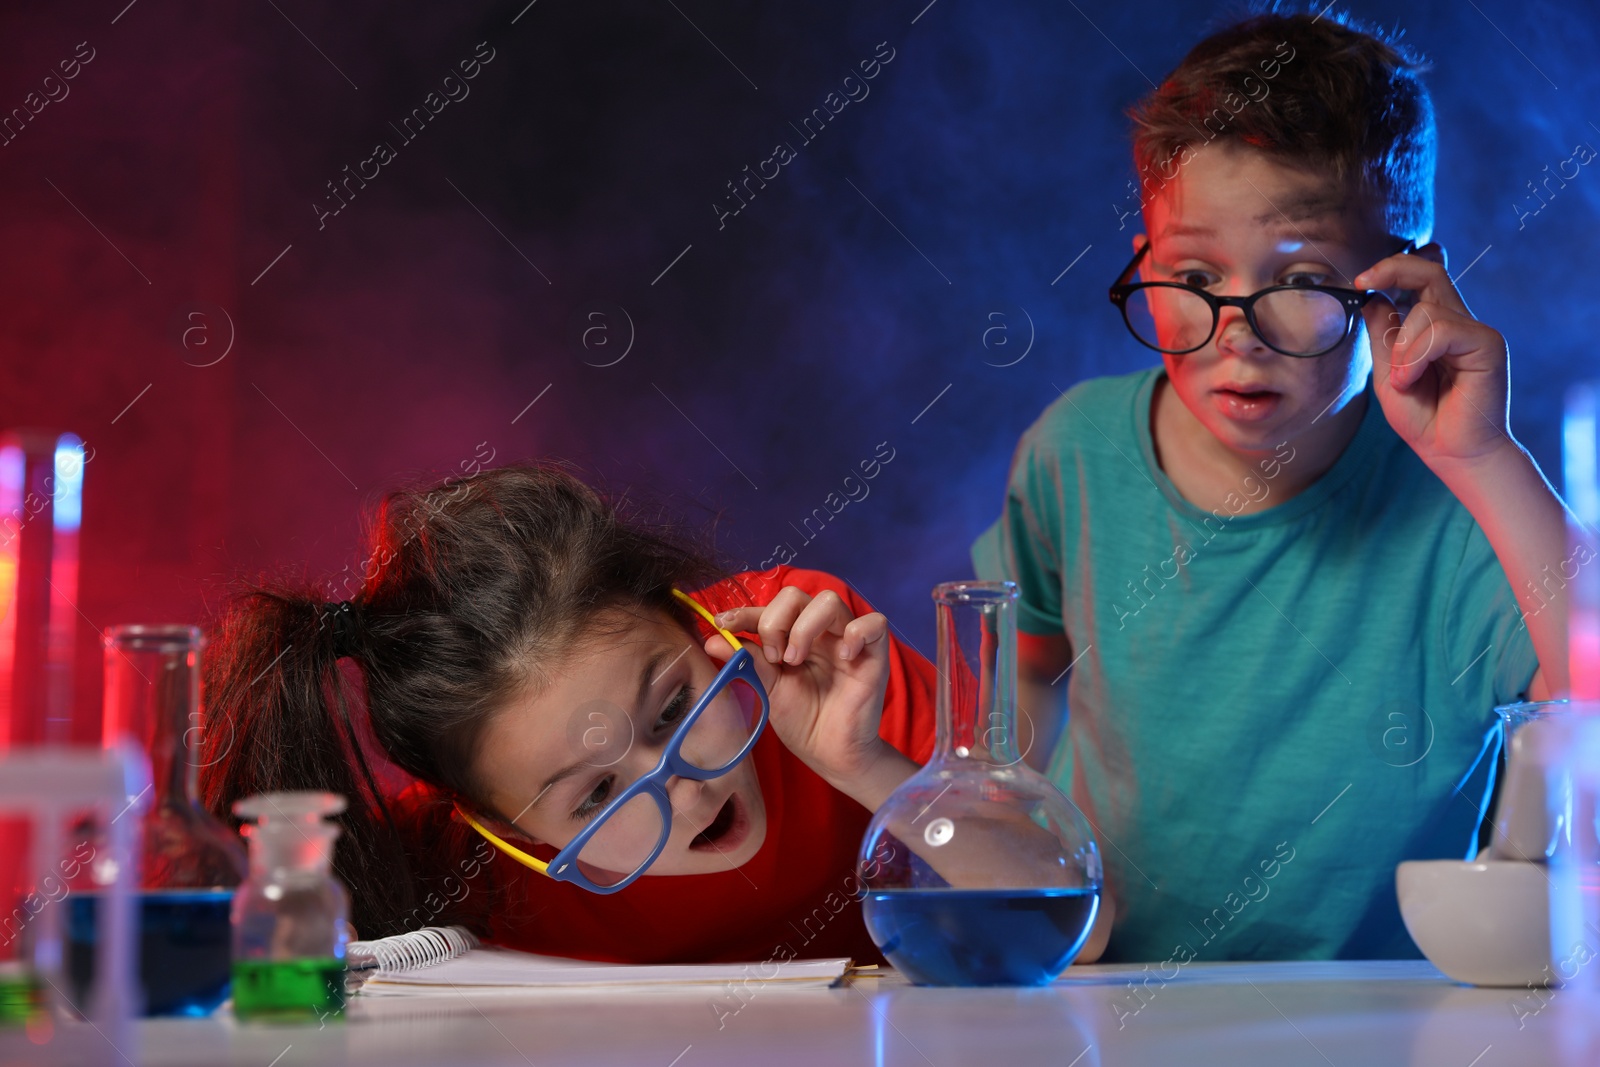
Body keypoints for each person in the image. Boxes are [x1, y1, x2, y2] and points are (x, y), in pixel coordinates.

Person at [973, 8, 1578, 964]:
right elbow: (1028, 680)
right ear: (1147, 257)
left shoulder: (1465, 505)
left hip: (1373, 1020)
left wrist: (1484, 461)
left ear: (1407, 277)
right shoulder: (1073, 451)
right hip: (1100, 1005)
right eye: (1196, 271)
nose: (1234, 329)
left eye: (1298, 275)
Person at [199, 462, 942, 965]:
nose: (682, 787)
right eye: (593, 792)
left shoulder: (814, 654)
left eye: (673, 707)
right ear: (507, 829)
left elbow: (1056, 920)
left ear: (700, 626)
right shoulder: (451, 864)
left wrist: (865, 764)